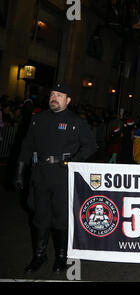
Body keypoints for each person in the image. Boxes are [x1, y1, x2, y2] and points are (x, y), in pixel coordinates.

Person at [15, 83, 97, 273]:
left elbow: (91, 146)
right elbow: (27, 146)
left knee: (60, 218)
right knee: (39, 217)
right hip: (40, 174)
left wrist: (73, 161)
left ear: (67, 101)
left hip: (62, 176)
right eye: (52, 94)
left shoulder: (76, 121)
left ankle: (61, 257)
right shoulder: (38, 119)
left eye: (59, 95)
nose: (54, 97)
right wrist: (19, 172)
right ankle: (39, 255)